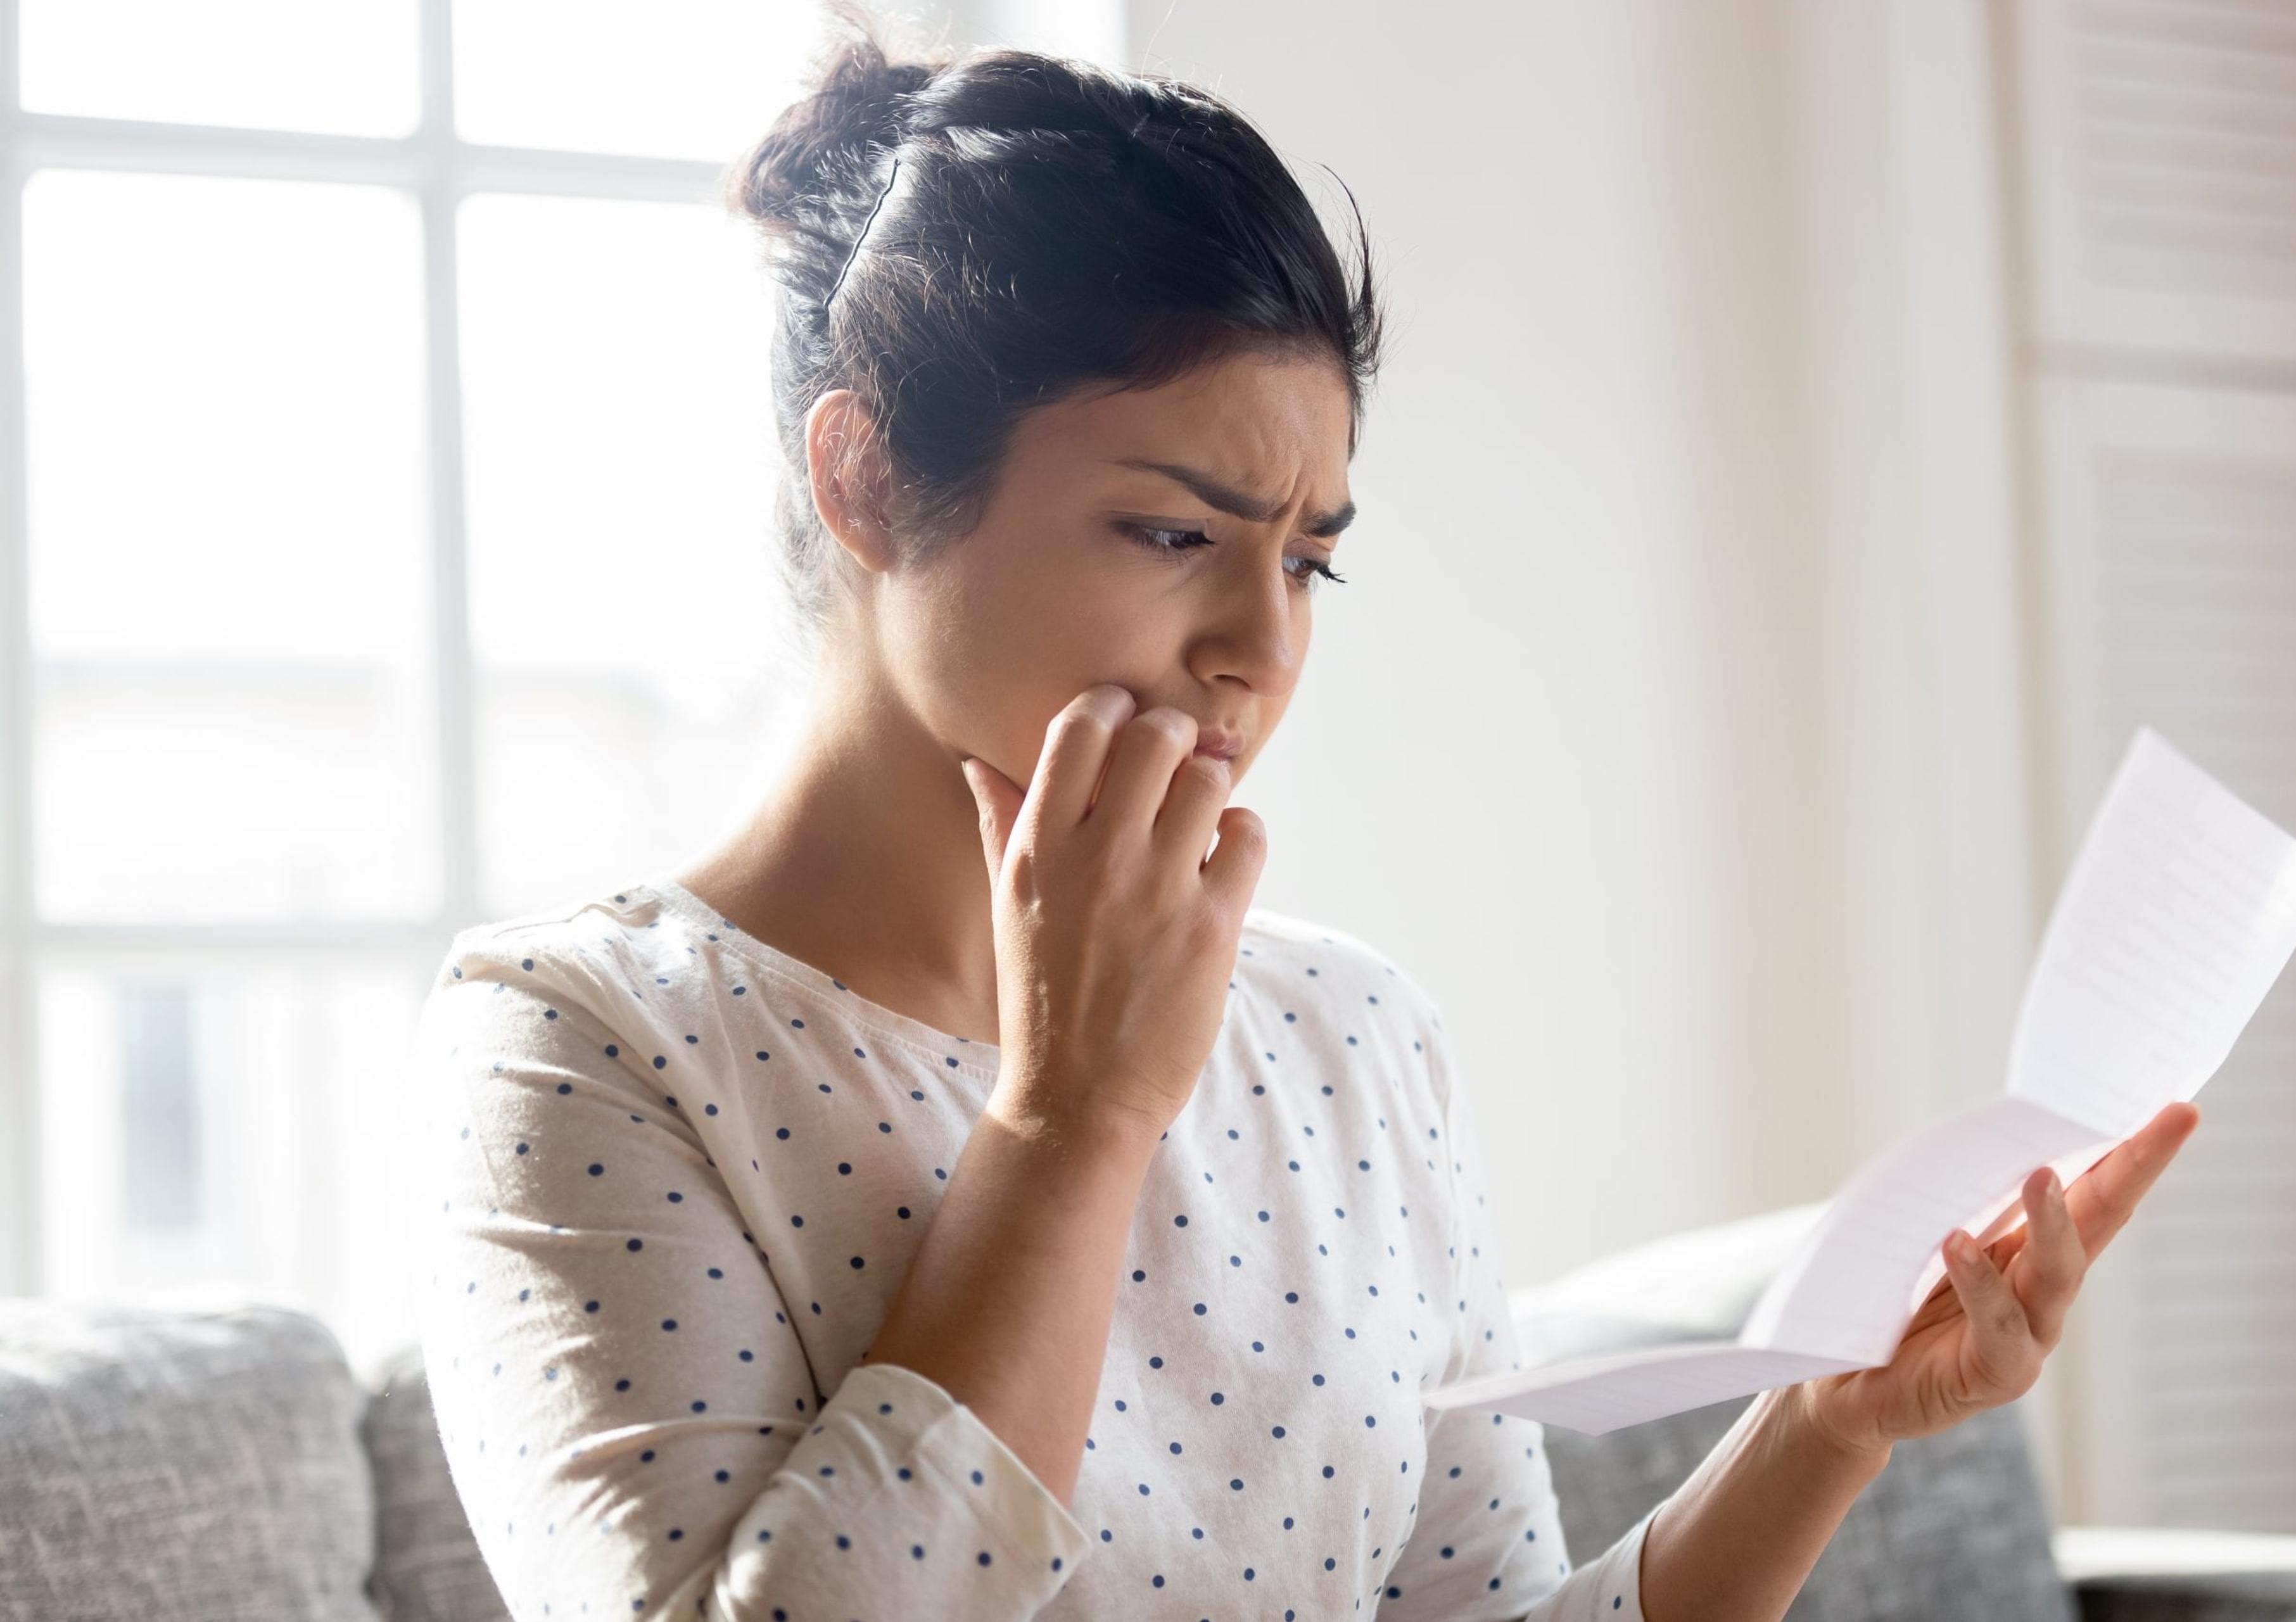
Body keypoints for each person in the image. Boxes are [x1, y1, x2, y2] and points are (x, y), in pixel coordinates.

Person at [407, 10, 2199, 1619]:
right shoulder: (581, 1050)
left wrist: (1822, 1424)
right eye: (1175, 532)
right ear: (866, 474)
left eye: (1311, 558)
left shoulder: (1347, 1037)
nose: (1260, 648)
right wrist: (1072, 1117)